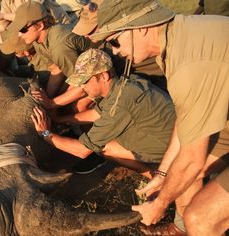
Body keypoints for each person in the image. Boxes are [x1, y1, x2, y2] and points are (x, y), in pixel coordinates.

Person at [90, 0, 229, 234]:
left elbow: (192, 158)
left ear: (140, 27)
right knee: (181, 176)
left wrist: (160, 203)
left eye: (114, 41)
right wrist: (163, 174)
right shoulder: (178, 37)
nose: (114, 52)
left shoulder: (188, 64)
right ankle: (182, 230)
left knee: (202, 218)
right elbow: (186, 120)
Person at [31, 49, 176, 179]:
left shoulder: (119, 104)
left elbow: (82, 150)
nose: (82, 86)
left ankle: (158, 176)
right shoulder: (125, 84)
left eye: (85, 81)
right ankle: (155, 174)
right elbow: (95, 114)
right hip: (171, 137)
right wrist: (59, 119)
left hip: (169, 149)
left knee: (104, 148)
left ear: (104, 76)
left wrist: (45, 134)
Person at [0, 1, 93, 98]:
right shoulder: (38, 42)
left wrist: (52, 104)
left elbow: (83, 82)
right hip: (80, 71)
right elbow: (55, 70)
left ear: (40, 26)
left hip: (97, 70)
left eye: (23, 30)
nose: (19, 35)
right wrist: (48, 97)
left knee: (75, 106)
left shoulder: (59, 45)